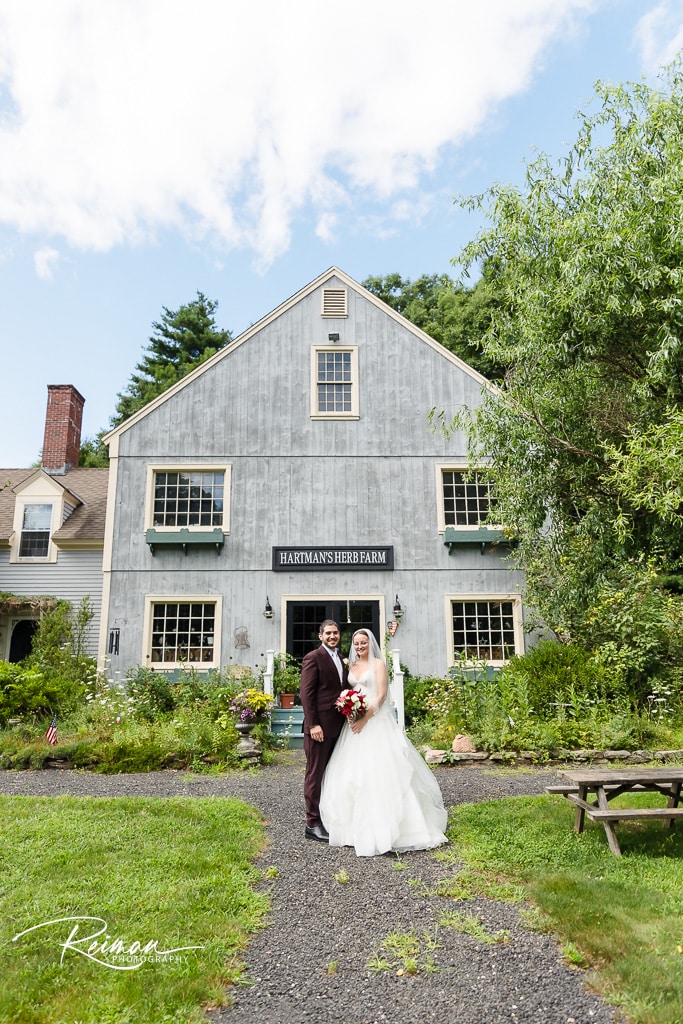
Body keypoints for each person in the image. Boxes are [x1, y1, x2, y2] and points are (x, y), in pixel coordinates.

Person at [319, 628, 448, 857]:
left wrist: (364, 719)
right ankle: (352, 829)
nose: (359, 647)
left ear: (370, 643)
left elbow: (380, 696)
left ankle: (404, 830)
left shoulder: (378, 664)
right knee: (354, 774)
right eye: (356, 643)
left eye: (363, 643)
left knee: (384, 771)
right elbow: (350, 692)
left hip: (376, 721)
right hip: (355, 724)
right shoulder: (352, 666)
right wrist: (350, 712)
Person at [299, 619, 348, 842]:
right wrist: (312, 724)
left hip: (338, 726)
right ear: (320, 636)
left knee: (332, 774)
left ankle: (327, 816)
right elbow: (306, 695)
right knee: (315, 774)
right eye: (328, 633)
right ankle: (312, 823)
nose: (332, 636)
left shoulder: (340, 658)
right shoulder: (313, 658)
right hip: (318, 728)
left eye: (335, 633)